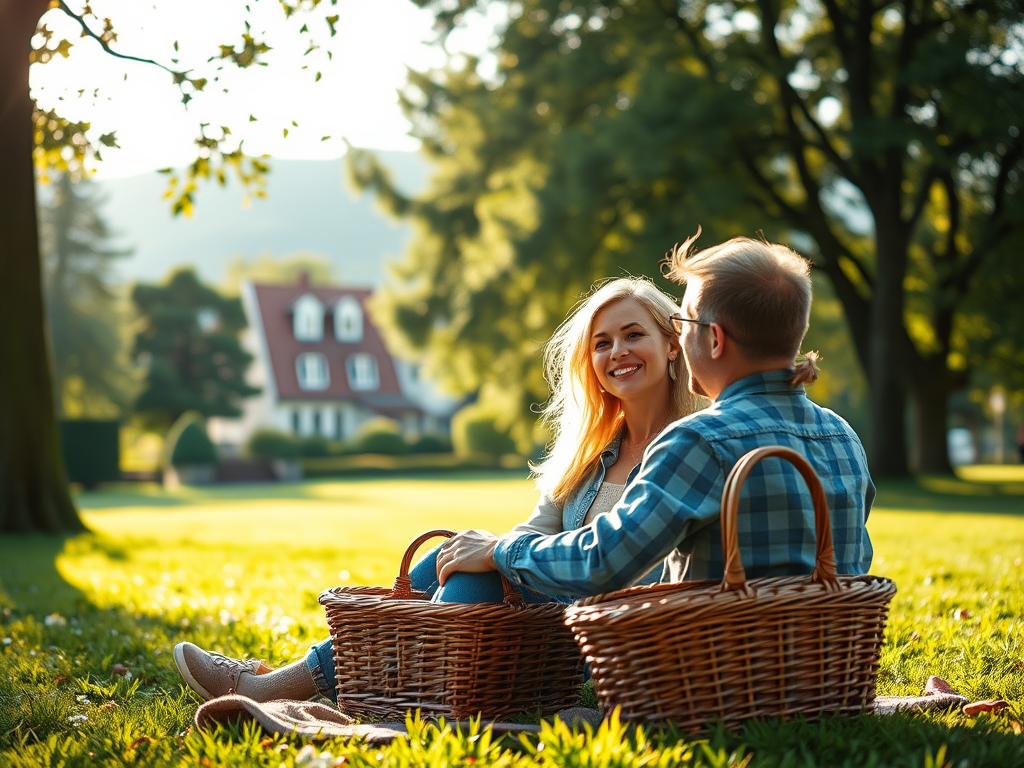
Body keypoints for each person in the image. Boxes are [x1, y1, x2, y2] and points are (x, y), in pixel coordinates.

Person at [173, 276, 699, 703]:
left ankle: (292, 686)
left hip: (608, 645)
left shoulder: (692, 450)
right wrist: (490, 552)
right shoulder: (589, 452)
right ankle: (353, 683)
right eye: (601, 343)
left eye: (633, 335)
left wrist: (502, 556)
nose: (617, 353)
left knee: (473, 585)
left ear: (672, 344)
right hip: (546, 622)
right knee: (448, 562)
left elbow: (629, 567)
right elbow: (534, 531)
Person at [436, 233, 874, 597]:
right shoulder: (843, 437)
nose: (681, 340)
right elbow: (855, 559)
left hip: (712, 675)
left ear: (715, 340)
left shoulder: (701, 441)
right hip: (824, 663)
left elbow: (602, 563)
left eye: (683, 325)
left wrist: (502, 552)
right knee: (439, 569)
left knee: (466, 579)